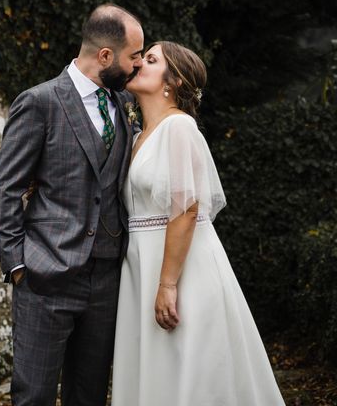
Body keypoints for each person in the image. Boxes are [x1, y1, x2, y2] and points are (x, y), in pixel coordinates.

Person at [111, 41, 285, 405]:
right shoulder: (139, 136)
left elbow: (187, 209)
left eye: (152, 59)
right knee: (158, 371)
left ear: (171, 82)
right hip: (142, 266)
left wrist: (168, 285)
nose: (140, 62)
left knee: (189, 369)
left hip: (179, 269)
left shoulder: (180, 127)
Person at [0, 3, 143, 406]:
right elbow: (6, 187)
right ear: (105, 56)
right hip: (46, 277)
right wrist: (17, 264)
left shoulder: (126, 104)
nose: (139, 65)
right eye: (134, 56)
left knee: (89, 395)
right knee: (34, 395)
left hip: (107, 277)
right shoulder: (40, 102)